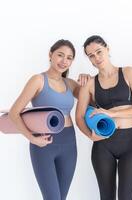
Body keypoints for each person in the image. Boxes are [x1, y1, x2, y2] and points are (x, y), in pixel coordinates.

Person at [8, 39, 83, 200]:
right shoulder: (38, 80)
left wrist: (87, 80)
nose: (64, 61)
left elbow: (92, 99)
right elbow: (14, 112)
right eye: (60, 55)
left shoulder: (70, 84)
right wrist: (32, 138)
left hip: (69, 143)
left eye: (69, 58)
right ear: (50, 54)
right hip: (43, 145)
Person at [75, 35, 132, 200]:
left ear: (108, 49)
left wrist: (112, 113)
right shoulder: (90, 83)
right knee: (106, 197)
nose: (96, 58)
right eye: (91, 56)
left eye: (99, 52)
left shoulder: (128, 72)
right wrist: (91, 136)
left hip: (130, 142)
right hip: (104, 145)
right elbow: (79, 117)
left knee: (126, 197)